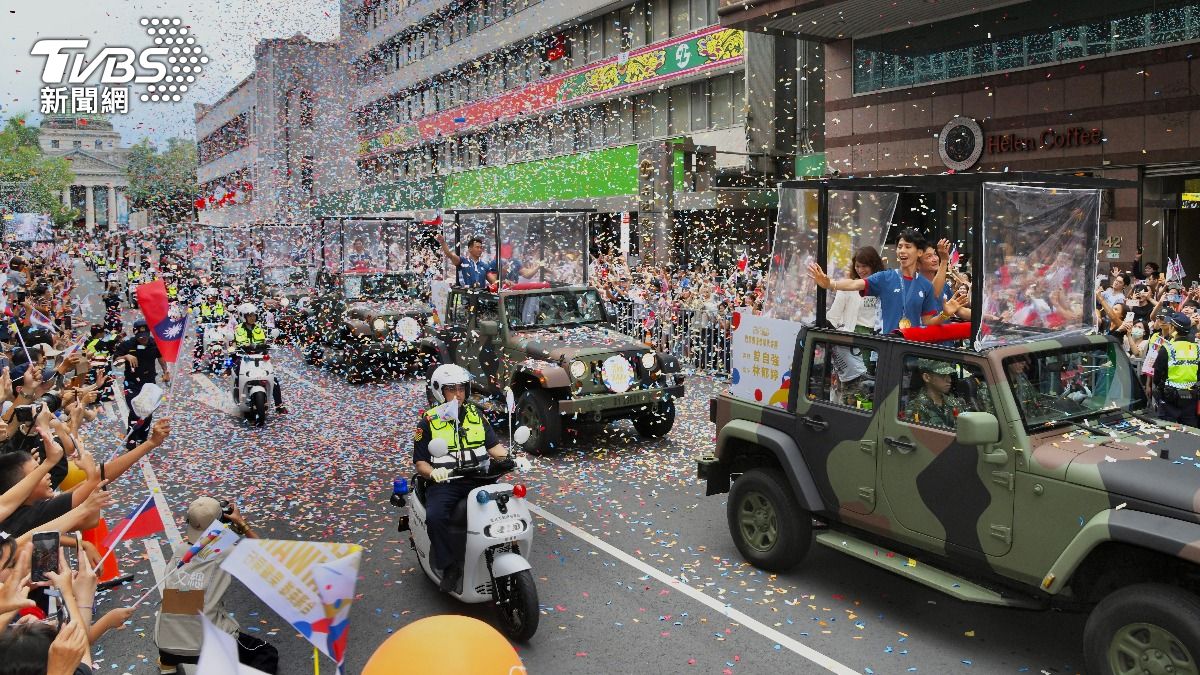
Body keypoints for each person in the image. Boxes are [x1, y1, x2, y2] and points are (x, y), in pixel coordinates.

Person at [412, 364, 509, 592]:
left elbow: (493, 446)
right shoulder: (429, 421)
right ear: (439, 391)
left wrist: (512, 458)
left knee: (506, 504)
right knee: (435, 517)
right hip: (447, 483)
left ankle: (502, 548)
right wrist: (432, 472)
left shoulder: (476, 414)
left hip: (479, 477)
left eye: (462, 388)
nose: (458, 394)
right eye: (451, 389)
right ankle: (449, 566)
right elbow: (421, 462)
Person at [154, 496, 278, 674]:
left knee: (179, 614)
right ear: (221, 521)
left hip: (166, 642)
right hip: (206, 646)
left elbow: (210, 546)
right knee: (266, 653)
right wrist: (241, 524)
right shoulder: (226, 553)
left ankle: (168, 664)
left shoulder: (180, 552)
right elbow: (264, 558)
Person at [808, 229, 962, 334]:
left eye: (908, 247)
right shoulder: (885, 277)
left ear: (919, 252)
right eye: (899, 247)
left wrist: (945, 315)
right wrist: (830, 284)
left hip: (914, 349)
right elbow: (855, 284)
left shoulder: (925, 285)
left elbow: (928, 321)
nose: (902, 250)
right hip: (889, 347)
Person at [112, 319, 170, 450]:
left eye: (145, 336)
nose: (143, 339)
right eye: (140, 337)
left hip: (149, 384)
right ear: (135, 334)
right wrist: (125, 357)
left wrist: (166, 371)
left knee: (147, 411)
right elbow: (115, 361)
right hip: (132, 383)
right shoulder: (127, 345)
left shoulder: (154, 344)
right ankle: (131, 439)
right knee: (135, 409)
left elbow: (160, 357)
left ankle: (143, 436)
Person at [232, 304, 286, 415]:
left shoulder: (259, 328)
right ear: (243, 316)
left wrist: (267, 344)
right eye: (250, 315)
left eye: (254, 315)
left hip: (259, 357)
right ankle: (239, 395)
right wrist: (238, 347)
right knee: (238, 373)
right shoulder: (238, 329)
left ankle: (279, 405)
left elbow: (263, 341)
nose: (253, 318)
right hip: (244, 357)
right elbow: (236, 342)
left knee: (273, 379)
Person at [1152, 311, 1198, 427]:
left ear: (1173, 328)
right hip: (1190, 398)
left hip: (1170, 399)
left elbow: (1157, 375)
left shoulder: (1167, 348)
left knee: (1167, 432)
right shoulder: (1197, 348)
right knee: (1190, 432)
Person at [904, 359, 965, 428]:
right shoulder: (916, 408)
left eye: (949, 375)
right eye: (942, 375)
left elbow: (964, 428)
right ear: (927, 377)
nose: (949, 380)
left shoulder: (952, 402)